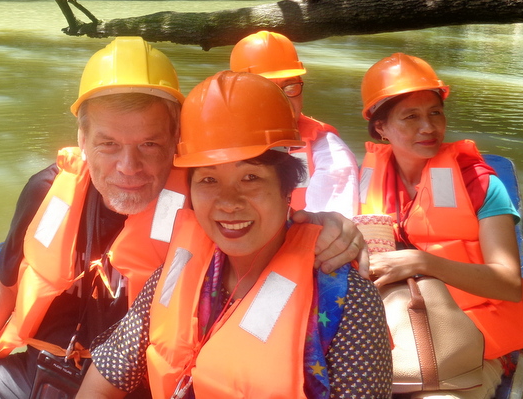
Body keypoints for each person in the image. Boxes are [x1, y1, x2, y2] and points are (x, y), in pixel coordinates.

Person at [0, 37, 366, 399]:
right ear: (83, 135)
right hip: (30, 372)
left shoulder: (204, 205)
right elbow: (5, 278)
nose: (128, 168)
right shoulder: (47, 187)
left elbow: (268, 223)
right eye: (109, 145)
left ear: (178, 143)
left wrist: (326, 222)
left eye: (149, 145)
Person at [76, 71, 392, 399]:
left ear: (287, 188)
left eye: (250, 177)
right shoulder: (177, 270)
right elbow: (104, 380)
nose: (228, 203)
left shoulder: (347, 302)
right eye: (209, 180)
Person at [359, 52, 523, 399]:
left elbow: (510, 283)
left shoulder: (480, 184)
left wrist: (424, 263)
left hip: (478, 338)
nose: (429, 127)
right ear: (381, 128)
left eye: (435, 113)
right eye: (411, 117)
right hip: (402, 326)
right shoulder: (369, 177)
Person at [230, 30, 359, 217]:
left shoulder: (328, 152)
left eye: (290, 87)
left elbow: (332, 233)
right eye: (266, 90)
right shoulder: (213, 146)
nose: (282, 100)